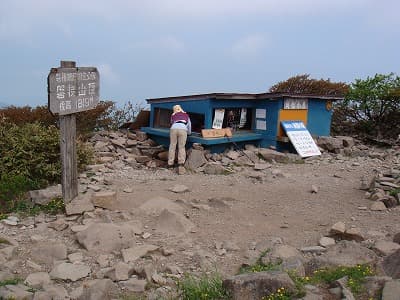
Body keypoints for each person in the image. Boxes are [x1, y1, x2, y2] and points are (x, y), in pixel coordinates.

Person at [168, 105, 191, 170]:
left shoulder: (173, 115)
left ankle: (170, 164)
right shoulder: (186, 115)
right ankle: (180, 163)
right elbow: (189, 125)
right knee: (181, 146)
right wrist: (189, 133)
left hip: (173, 128)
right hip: (183, 129)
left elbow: (171, 123)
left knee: (172, 146)